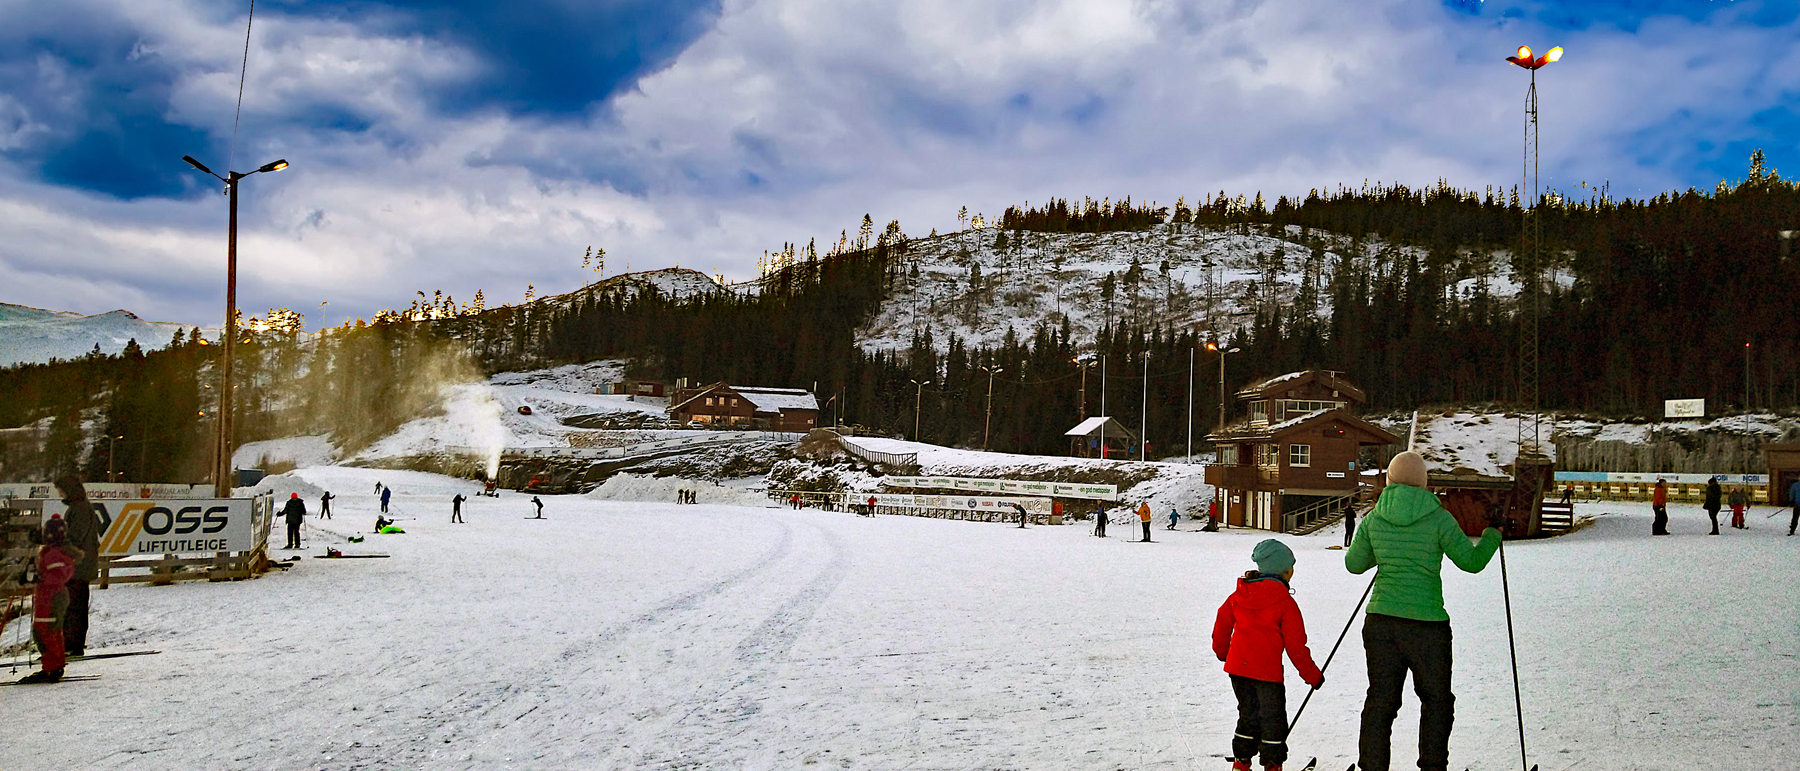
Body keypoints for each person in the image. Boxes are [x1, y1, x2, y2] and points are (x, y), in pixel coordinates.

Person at [1345, 451, 1501, 771]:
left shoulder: (1374, 517)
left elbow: (1354, 564)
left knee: (1381, 702)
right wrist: (1493, 534)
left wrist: (1388, 554)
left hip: (1381, 623)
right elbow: (1471, 563)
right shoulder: (1438, 517)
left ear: (1389, 480)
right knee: (1437, 701)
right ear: (1424, 482)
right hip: (1428, 626)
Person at [1212, 539, 1324, 771]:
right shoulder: (1285, 603)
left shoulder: (1240, 595)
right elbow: (1296, 647)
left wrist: (1223, 652)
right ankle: (1273, 765)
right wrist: (1313, 676)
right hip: (1267, 675)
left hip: (1238, 670)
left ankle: (1241, 762)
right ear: (1285, 571)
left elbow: (1222, 623)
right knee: (1272, 720)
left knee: (1248, 714)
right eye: (1291, 567)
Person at [17, 515, 80, 684]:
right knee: (52, 630)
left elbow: (58, 576)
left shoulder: (54, 554)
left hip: (50, 597)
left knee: (43, 631)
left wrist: (37, 577)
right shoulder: (58, 551)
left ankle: (51, 667)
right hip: (52, 596)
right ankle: (55, 665)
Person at [53, 475, 99, 657]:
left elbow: (74, 538)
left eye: (62, 490)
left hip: (78, 566)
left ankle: (72, 645)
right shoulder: (78, 507)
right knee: (74, 605)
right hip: (78, 565)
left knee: (73, 606)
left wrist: (53, 542)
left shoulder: (79, 509)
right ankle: (71, 643)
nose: (60, 494)